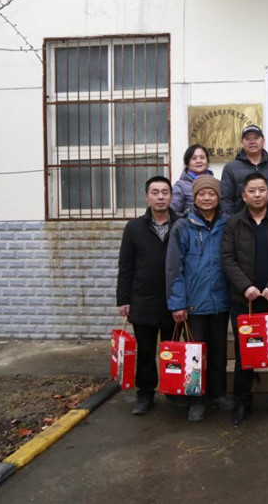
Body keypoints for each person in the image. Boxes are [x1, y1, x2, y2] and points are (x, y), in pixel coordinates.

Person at [221, 173, 268, 426]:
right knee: (245, 354)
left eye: (261, 190)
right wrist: (245, 287)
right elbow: (227, 258)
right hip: (245, 301)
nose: (257, 195)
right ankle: (242, 402)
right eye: (252, 191)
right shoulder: (232, 224)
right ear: (243, 196)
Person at [166, 175, 233, 422]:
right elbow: (174, 268)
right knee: (195, 354)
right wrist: (177, 304)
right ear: (194, 198)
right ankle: (197, 399)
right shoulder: (183, 226)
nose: (206, 198)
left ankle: (218, 393)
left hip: (221, 302)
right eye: (201, 194)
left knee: (219, 352)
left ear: (218, 197)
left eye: (211, 193)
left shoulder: (228, 223)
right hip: (193, 304)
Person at [116, 176, 178, 415]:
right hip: (143, 299)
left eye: (165, 192)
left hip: (174, 300)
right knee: (145, 350)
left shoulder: (181, 224)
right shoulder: (134, 228)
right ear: (147, 197)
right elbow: (126, 265)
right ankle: (145, 393)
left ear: (171, 196)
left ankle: (173, 390)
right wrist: (123, 299)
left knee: (172, 348)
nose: (160, 197)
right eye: (155, 192)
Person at [220, 125, 268, 215]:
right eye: (248, 139)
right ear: (242, 142)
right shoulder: (231, 168)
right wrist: (232, 221)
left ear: (263, 141)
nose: (252, 142)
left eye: (256, 138)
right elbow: (226, 200)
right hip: (242, 221)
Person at [171, 144, 214, 216]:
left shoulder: (216, 184)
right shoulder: (180, 186)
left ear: (207, 161)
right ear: (187, 163)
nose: (198, 161)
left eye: (202, 157)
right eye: (194, 158)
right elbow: (173, 212)